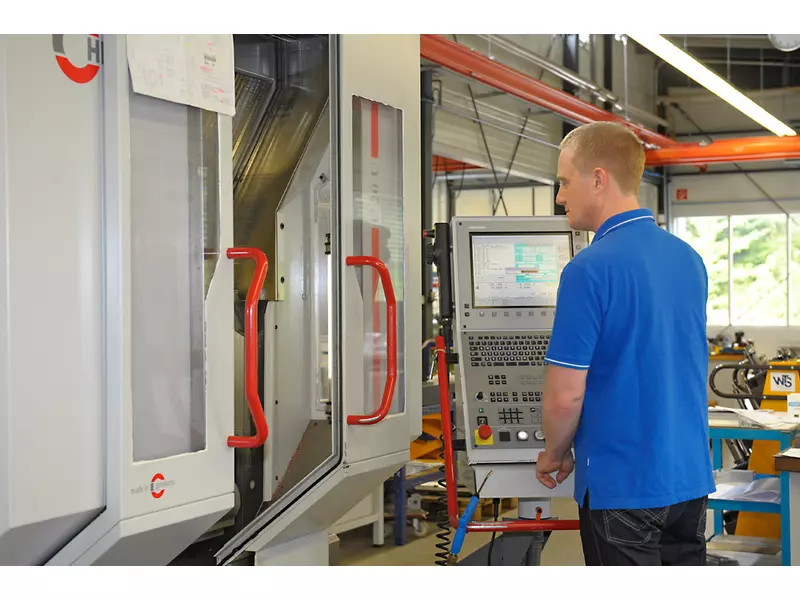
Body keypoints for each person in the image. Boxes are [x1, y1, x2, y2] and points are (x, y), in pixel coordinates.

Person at [534, 121, 715, 566]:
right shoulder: (689, 260)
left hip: (622, 486)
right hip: (689, 482)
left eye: (564, 182)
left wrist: (554, 453)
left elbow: (565, 395)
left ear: (598, 179)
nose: (559, 196)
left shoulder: (587, 270)